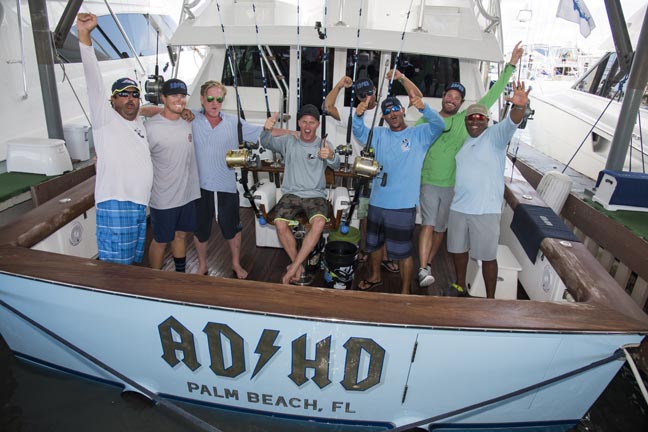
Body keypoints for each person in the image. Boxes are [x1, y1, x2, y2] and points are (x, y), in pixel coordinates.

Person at [416, 42, 524, 291]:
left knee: (450, 235)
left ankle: (485, 298)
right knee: (442, 236)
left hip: (469, 201)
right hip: (446, 195)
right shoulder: (438, 124)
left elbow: (499, 105)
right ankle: (439, 276)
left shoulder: (487, 135)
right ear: (443, 96)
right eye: (449, 95)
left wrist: (512, 72)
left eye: (479, 118)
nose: (475, 121)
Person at [325, 70, 422, 272]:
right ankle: (367, 251)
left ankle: (387, 256)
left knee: (389, 218)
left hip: (390, 175)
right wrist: (340, 85)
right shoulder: (353, 113)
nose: (366, 97)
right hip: (365, 174)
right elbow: (328, 106)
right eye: (361, 95)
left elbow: (417, 98)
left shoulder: (388, 109)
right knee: (366, 215)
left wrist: (402, 78)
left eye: (369, 92)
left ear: (375, 90)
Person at [76, 13, 153, 265]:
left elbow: (146, 110)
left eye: (134, 94)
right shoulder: (105, 118)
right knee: (115, 270)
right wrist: (84, 35)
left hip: (138, 205)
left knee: (131, 266)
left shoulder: (137, 122)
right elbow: (92, 80)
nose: (130, 98)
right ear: (112, 100)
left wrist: (166, 110)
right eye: (123, 94)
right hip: (116, 204)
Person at [352, 94, 444, 295]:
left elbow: (439, 125)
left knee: (403, 253)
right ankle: (375, 277)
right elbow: (359, 132)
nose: (392, 114)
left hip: (403, 205)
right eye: (386, 111)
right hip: (377, 202)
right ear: (383, 117)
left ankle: (404, 291)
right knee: (374, 245)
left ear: (402, 110)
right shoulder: (378, 134)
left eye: (395, 109)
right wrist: (358, 116)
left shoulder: (419, 134)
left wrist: (424, 108)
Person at [448, 81, 530, 298]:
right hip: (459, 207)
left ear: (487, 121)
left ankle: (490, 299)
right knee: (457, 250)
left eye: (479, 118)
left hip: (485, 210)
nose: (475, 121)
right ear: (466, 121)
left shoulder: (495, 137)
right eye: (471, 118)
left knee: (487, 257)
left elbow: (511, 122)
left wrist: (519, 107)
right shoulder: (466, 142)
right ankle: (460, 285)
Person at [260, 104, 341, 285]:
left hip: (316, 195)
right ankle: (298, 267)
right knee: (280, 224)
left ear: (317, 124)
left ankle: (293, 268)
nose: (307, 126)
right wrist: (266, 129)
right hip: (291, 194)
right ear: (299, 123)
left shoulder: (324, 144)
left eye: (312, 122)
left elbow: (336, 164)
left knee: (318, 224)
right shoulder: (288, 141)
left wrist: (330, 155)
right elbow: (266, 142)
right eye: (304, 121)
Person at [191, 80, 256, 279]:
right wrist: (141, 109)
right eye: (210, 98)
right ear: (202, 99)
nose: (214, 103)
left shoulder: (234, 122)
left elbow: (263, 133)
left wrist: (296, 133)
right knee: (200, 229)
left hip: (226, 186)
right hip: (199, 187)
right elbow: (163, 112)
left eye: (219, 99)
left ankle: (236, 264)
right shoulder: (191, 117)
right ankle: (202, 265)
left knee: (233, 228)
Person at [144, 78, 200, 272]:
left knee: (181, 236)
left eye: (182, 95)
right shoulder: (150, 128)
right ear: (163, 98)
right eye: (174, 95)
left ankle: (180, 276)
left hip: (187, 195)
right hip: (163, 198)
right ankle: (155, 279)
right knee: (160, 241)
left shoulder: (188, 122)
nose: (179, 99)